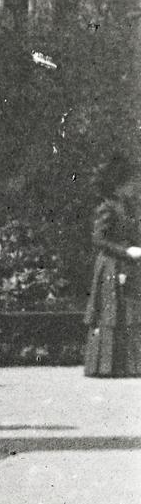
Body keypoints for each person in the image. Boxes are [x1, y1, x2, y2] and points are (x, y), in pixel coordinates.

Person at [84, 155, 141, 377]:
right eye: (132, 182)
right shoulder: (107, 207)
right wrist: (125, 251)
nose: (136, 186)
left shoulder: (128, 206)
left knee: (128, 312)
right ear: (119, 184)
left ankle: (126, 365)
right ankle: (105, 366)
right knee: (111, 313)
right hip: (111, 266)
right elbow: (98, 239)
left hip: (127, 265)